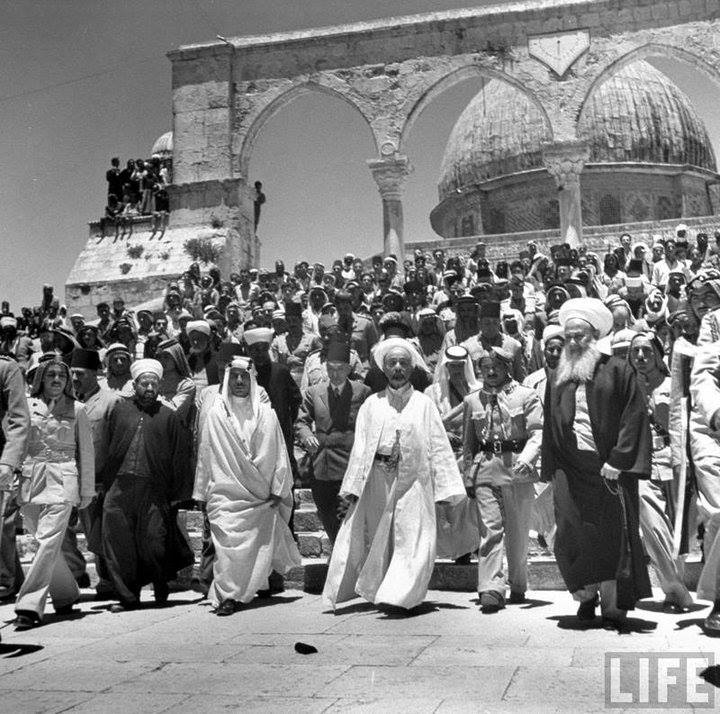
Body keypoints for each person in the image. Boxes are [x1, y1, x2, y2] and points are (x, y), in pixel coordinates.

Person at [323, 338, 465, 611]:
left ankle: (403, 596)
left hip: (415, 481)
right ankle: (386, 590)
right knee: (383, 538)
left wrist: (446, 488)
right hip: (379, 479)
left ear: (411, 368)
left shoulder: (424, 404)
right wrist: (351, 488)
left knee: (413, 536)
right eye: (392, 363)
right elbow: (361, 448)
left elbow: (438, 446)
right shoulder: (371, 405)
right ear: (384, 368)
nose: (398, 368)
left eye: (403, 363)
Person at [542, 298, 652, 630]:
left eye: (580, 336)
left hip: (608, 470)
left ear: (594, 337)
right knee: (572, 536)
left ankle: (613, 606)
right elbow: (550, 426)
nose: (574, 342)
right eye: (569, 337)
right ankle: (586, 596)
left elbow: (634, 417)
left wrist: (619, 459)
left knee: (612, 539)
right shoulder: (557, 376)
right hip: (570, 471)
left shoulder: (618, 370)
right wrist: (551, 469)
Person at [194, 356, 301, 614]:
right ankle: (228, 595)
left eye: (244, 376)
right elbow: (206, 454)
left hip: (259, 494)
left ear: (252, 380)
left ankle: (247, 589)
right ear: (227, 379)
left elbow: (279, 453)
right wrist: (201, 491)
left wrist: (278, 489)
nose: (239, 381)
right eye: (234, 376)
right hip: (225, 493)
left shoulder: (266, 414)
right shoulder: (216, 414)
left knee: (256, 546)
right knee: (227, 545)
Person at [100, 359, 193, 612]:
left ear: (160, 385)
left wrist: (178, 493)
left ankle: (161, 584)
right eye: (144, 383)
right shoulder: (120, 411)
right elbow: (106, 445)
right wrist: (101, 482)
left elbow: (180, 455)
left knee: (154, 541)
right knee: (119, 541)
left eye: (154, 383)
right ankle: (128, 597)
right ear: (135, 384)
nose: (149, 388)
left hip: (154, 489)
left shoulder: (169, 416)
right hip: (119, 487)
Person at [14, 358, 95, 630]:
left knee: (48, 539)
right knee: (43, 542)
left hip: (63, 480)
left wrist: (86, 489)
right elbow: (16, 443)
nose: (57, 380)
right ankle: (66, 594)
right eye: (51, 375)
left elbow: (87, 453)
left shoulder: (78, 409)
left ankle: (29, 605)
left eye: (62, 375)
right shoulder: (26, 406)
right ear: (41, 379)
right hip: (31, 479)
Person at [463, 347, 543, 613]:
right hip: (486, 469)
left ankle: (517, 583)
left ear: (507, 367)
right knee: (490, 531)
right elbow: (469, 443)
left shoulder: (526, 395)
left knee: (518, 533)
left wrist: (527, 458)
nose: (491, 371)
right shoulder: (473, 400)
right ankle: (491, 588)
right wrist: (469, 476)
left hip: (517, 468)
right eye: (485, 367)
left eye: (496, 366)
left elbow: (537, 432)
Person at [625, 333, 693, 612]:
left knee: (677, 529)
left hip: (674, 460)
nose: (641, 356)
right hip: (643, 462)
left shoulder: (674, 385)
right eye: (635, 351)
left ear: (657, 354)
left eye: (646, 350)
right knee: (652, 524)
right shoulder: (627, 387)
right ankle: (675, 588)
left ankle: (674, 594)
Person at [295, 337, 371, 544]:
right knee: (326, 514)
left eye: (340, 369)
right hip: (322, 466)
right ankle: (338, 553)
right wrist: (307, 435)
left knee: (345, 517)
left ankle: (341, 556)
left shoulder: (362, 392)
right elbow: (301, 421)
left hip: (350, 466)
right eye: (331, 369)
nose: (335, 374)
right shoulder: (313, 392)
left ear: (348, 369)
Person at [70, 347, 120, 599]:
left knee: (104, 533)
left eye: (80, 373)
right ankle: (83, 575)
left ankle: (110, 581)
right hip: (74, 479)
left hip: (102, 481)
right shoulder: (69, 402)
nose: (74, 378)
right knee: (88, 533)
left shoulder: (111, 401)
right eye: (72, 373)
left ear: (94, 374)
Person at [0, 355, 30, 605]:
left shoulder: (5, 368)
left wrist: (9, 461)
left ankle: (4, 581)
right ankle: (13, 578)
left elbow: (19, 419)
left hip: (1, 458)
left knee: (2, 522)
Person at [461, 301, 526, 383]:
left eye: (495, 323)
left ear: (500, 323)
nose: (491, 327)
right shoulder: (468, 347)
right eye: (487, 323)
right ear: (480, 324)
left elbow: (520, 377)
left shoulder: (514, 345)